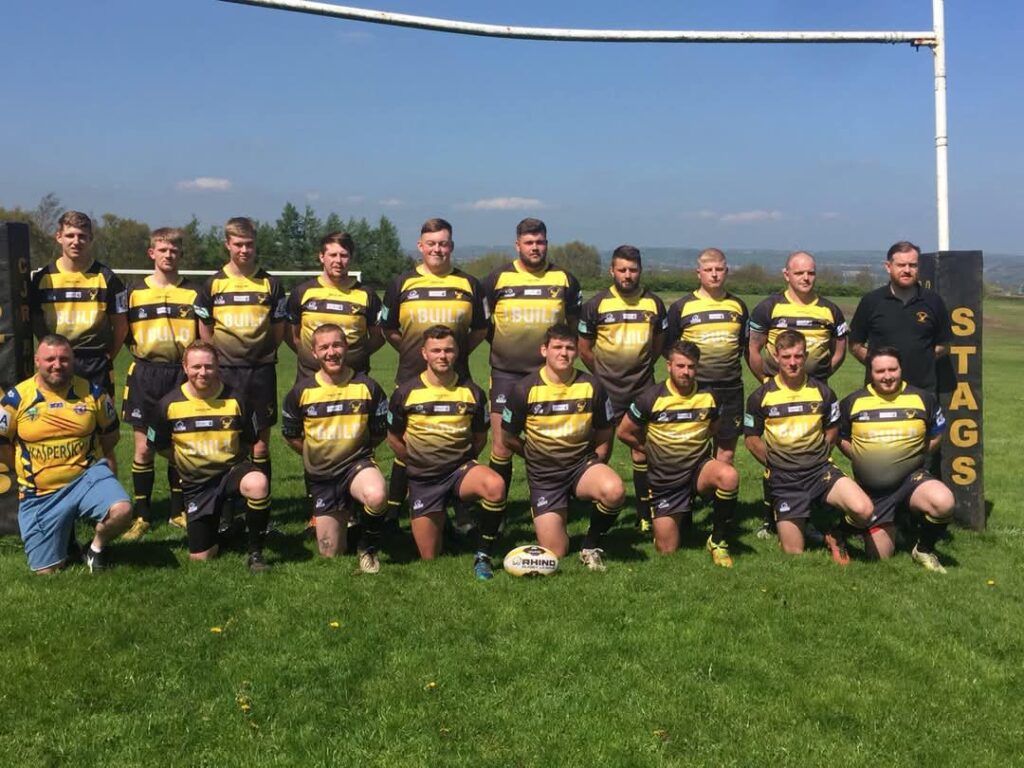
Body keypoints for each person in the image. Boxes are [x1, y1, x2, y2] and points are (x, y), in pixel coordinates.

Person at [380, 219, 488, 523]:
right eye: (431, 243)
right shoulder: (401, 284)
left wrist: (455, 354)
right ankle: (393, 508)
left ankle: (458, 503)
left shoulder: (469, 284)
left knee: (457, 437)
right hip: (411, 376)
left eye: (443, 243)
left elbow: (479, 330)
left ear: (451, 246)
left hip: (456, 378)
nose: (437, 249)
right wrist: (416, 353)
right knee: (408, 441)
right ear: (420, 246)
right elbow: (388, 329)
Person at [0, 334, 132, 573]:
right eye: (50, 359)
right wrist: (28, 470)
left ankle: (96, 547)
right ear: (37, 361)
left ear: (73, 361)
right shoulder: (15, 399)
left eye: (64, 359)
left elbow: (110, 437)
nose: (57, 365)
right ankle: (65, 536)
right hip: (40, 492)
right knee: (46, 571)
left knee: (122, 510)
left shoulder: (93, 393)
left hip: (85, 478)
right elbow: (2, 446)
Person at [501, 324, 625, 571]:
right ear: (544, 350)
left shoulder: (592, 386)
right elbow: (508, 436)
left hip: (580, 466)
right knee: (555, 551)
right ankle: (555, 514)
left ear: (577, 352)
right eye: (557, 347)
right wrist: (532, 455)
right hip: (545, 476)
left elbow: (604, 429)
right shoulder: (523, 389)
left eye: (569, 348)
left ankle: (590, 547)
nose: (564, 353)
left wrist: (598, 461)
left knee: (614, 490)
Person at [386, 325, 505, 579]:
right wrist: (417, 463)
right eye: (436, 350)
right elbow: (393, 438)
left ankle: (483, 555)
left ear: (457, 353)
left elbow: (480, 437)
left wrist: (462, 461)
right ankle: (444, 522)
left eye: (449, 350)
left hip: (459, 471)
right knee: (430, 557)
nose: (443, 355)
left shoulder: (472, 392)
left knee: (495, 485)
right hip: (424, 478)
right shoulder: (405, 392)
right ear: (424, 354)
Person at [743, 330, 873, 561]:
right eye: (787, 357)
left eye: (798, 356)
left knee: (864, 509)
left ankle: (837, 533)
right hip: (785, 479)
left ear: (806, 356)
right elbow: (752, 439)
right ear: (774, 356)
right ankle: (785, 516)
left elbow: (832, 427)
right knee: (794, 552)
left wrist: (822, 454)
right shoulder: (760, 396)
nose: (793, 362)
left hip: (820, 471)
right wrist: (776, 463)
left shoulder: (823, 392)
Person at [482, 218, 582, 509]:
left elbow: (573, 326)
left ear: (546, 244)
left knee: (556, 441)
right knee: (501, 444)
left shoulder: (565, 280)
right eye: (529, 243)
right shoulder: (496, 279)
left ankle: (557, 499)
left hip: (550, 376)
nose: (535, 248)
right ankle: (498, 509)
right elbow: (482, 324)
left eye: (539, 242)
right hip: (506, 374)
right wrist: (505, 346)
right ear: (518, 245)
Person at [748, 251, 848, 539]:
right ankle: (771, 519)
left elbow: (840, 345)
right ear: (786, 275)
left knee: (812, 450)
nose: (806, 278)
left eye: (811, 273)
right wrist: (766, 381)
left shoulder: (830, 309)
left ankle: (811, 514)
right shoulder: (768, 307)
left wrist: (827, 373)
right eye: (800, 273)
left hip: (815, 392)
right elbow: (753, 349)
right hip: (779, 389)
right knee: (778, 450)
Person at [147, 342, 272, 572]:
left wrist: (230, 461)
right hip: (197, 484)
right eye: (196, 367)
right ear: (185, 367)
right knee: (201, 557)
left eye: (209, 366)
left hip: (231, 473)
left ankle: (255, 553)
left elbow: (249, 441)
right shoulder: (168, 404)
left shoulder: (237, 400)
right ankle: (231, 530)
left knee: (258, 484)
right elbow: (160, 446)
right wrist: (187, 463)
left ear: (218, 367)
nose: (202, 372)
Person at [617, 341, 739, 566]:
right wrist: (649, 450)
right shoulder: (650, 398)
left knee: (728, 475)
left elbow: (714, 428)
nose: (686, 372)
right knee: (667, 550)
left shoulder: (709, 397)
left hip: (697, 471)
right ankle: (672, 518)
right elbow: (624, 432)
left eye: (691, 367)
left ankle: (718, 540)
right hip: (665, 479)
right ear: (669, 366)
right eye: (680, 366)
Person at [281, 324, 389, 572]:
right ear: (314, 353)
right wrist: (316, 455)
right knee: (330, 552)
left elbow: (379, 432)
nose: (332, 352)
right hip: (322, 477)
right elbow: (290, 435)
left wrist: (355, 452)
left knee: (377, 494)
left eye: (337, 345)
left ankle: (367, 547)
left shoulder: (368, 387)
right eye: (325, 347)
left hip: (356, 467)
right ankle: (350, 521)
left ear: (346, 347)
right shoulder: (301, 392)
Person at [838, 346, 954, 572]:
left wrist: (917, 454)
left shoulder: (923, 398)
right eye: (880, 371)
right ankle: (886, 522)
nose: (887, 376)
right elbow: (839, 437)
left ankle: (924, 549)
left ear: (901, 369)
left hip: (912, 481)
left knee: (944, 501)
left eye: (893, 369)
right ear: (871, 372)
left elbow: (938, 432)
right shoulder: (853, 402)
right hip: (875, 491)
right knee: (879, 557)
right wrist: (861, 458)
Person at [194, 217, 287, 489]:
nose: (244, 250)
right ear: (227, 245)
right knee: (229, 441)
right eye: (238, 245)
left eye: (249, 245)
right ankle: (227, 509)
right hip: (226, 373)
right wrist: (217, 359)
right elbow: (205, 326)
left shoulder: (270, 284)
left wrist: (264, 352)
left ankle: (261, 508)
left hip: (261, 372)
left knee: (260, 445)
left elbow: (278, 329)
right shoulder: (213, 284)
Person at [578, 244, 667, 529]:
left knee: (641, 450)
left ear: (640, 270)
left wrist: (639, 369)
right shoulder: (596, 304)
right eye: (622, 270)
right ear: (612, 271)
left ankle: (644, 514)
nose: (627, 275)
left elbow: (657, 346)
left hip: (642, 388)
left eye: (633, 270)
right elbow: (584, 349)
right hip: (606, 390)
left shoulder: (654, 303)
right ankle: (598, 511)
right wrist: (603, 376)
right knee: (601, 450)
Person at [120, 228, 199, 541]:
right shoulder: (134, 291)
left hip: (181, 375)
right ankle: (141, 515)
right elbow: (123, 331)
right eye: (163, 250)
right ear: (151, 253)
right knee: (143, 448)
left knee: (178, 445)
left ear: (180, 254)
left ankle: (178, 511)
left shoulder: (194, 293)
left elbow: (203, 331)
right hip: (145, 374)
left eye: (174, 250)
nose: (169, 255)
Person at [29, 211, 128, 396]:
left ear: (91, 239)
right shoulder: (42, 279)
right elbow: (36, 322)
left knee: (100, 422)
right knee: (57, 419)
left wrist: (107, 357)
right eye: (70, 235)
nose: (76, 241)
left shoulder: (107, 278)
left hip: (95, 362)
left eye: (82, 236)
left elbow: (121, 326)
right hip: (56, 361)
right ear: (59, 237)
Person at [665, 247, 749, 465]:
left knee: (727, 452)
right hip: (694, 388)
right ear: (698, 273)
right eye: (708, 269)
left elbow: (742, 346)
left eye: (719, 269)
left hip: (730, 388)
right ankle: (690, 494)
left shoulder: (738, 306)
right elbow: (670, 348)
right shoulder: (681, 307)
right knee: (690, 446)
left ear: (726, 271)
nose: (714, 274)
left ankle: (718, 496)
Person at [848, 240, 951, 393]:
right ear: (888, 267)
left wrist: (923, 361)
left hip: (922, 392)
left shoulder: (933, 301)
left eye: (912, 265)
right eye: (901, 265)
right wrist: (880, 366)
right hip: (879, 392)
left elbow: (944, 344)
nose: (907, 270)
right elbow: (855, 345)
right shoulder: (871, 301)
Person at [286, 230, 384, 382]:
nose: (338, 260)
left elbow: (378, 337)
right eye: (332, 255)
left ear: (350, 258)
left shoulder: (367, 295)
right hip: (309, 379)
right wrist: (310, 357)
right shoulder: (302, 292)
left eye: (343, 255)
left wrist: (355, 357)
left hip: (354, 380)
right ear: (321, 257)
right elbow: (293, 336)